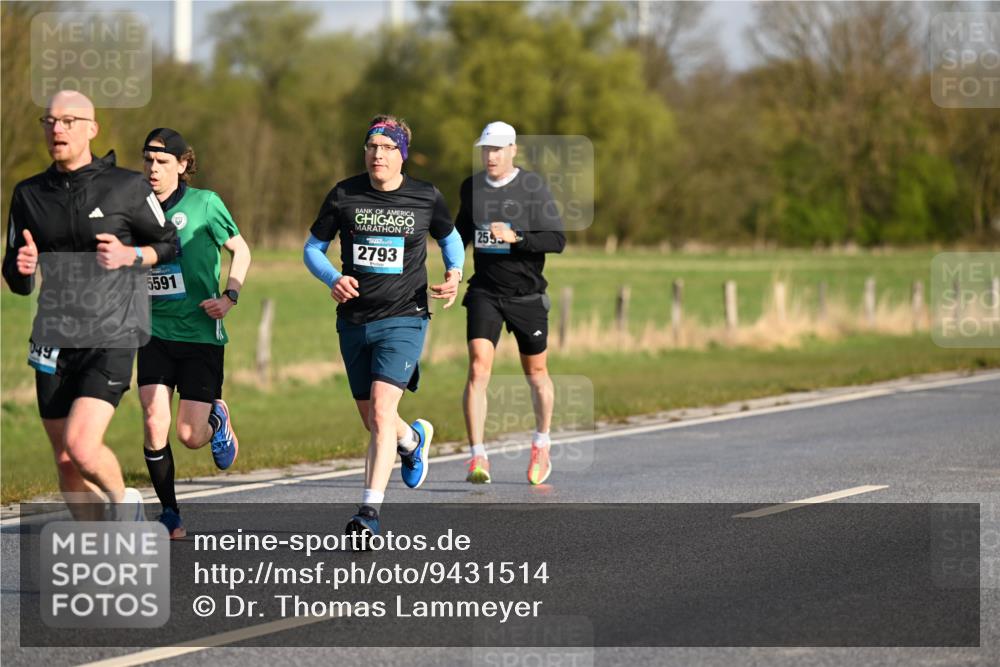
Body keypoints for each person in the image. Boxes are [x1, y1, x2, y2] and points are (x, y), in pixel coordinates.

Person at [1, 90, 177, 519]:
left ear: (91, 129)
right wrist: (22, 267)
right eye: (49, 121)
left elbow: (168, 244)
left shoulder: (128, 186)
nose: (57, 129)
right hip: (52, 338)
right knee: (65, 460)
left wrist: (131, 256)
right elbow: (17, 279)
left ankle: (125, 503)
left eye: (68, 121)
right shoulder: (29, 195)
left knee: (81, 445)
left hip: (112, 334)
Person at [304, 115, 464, 537]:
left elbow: (449, 239)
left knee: (380, 410)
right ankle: (411, 441)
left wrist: (455, 272)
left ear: (402, 154)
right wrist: (332, 279)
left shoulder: (426, 197)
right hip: (355, 319)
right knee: (375, 422)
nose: (378, 154)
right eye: (372, 146)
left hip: (405, 316)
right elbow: (313, 249)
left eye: (387, 147)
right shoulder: (344, 194)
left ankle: (368, 514)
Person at [138, 128, 251, 539]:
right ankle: (170, 513)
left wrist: (230, 296)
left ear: (183, 165)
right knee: (153, 421)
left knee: (188, 435)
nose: (153, 168)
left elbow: (242, 249)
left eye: (163, 161)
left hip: (201, 332)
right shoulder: (134, 207)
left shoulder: (206, 203)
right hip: (153, 330)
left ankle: (217, 419)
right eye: (148, 160)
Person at [455, 122, 566, 485]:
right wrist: (453, 271)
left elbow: (556, 239)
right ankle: (477, 457)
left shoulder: (532, 188)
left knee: (535, 373)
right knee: (478, 368)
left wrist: (516, 237)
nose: (491, 156)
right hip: (485, 291)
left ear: (513, 150)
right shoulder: (471, 188)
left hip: (526, 294)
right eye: (486, 150)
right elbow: (459, 235)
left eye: (498, 149)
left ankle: (541, 444)